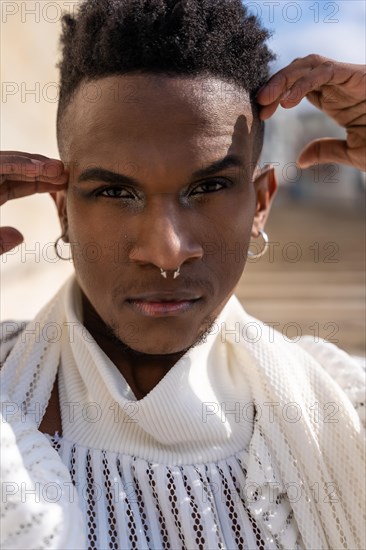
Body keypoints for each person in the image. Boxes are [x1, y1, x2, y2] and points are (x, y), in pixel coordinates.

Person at [0, 1, 365, 549]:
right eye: (114, 192)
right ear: (62, 212)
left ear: (260, 203)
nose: (166, 252)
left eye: (210, 187)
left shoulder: (342, 404)